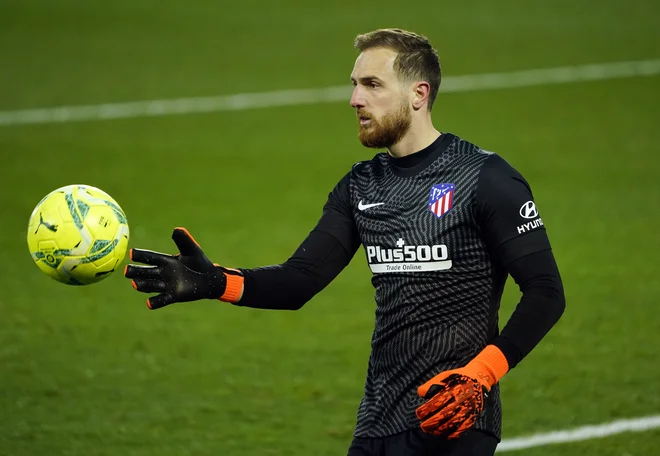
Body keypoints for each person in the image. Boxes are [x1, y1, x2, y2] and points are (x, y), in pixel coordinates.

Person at [124, 28, 566, 456]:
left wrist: (480, 375)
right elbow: (300, 280)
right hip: (378, 422)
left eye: (372, 84)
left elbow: (546, 292)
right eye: (354, 85)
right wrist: (217, 282)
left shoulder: (485, 178)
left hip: (454, 417)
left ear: (419, 94)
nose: (355, 99)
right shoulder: (360, 185)